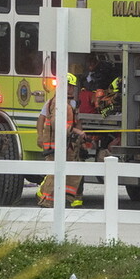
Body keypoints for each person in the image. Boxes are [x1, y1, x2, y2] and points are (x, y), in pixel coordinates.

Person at [37, 73, 86, 208]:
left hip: (66, 145)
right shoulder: (56, 103)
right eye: (69, 86)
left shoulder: (70, 103)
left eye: (72, 87)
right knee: (54, 174)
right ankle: (46, 199)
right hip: (55, 145)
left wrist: (79, 138)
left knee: (72, 172)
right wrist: (40, 136)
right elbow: (55, 122)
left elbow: (75, 121)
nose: (71, 89)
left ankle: (67, 198)